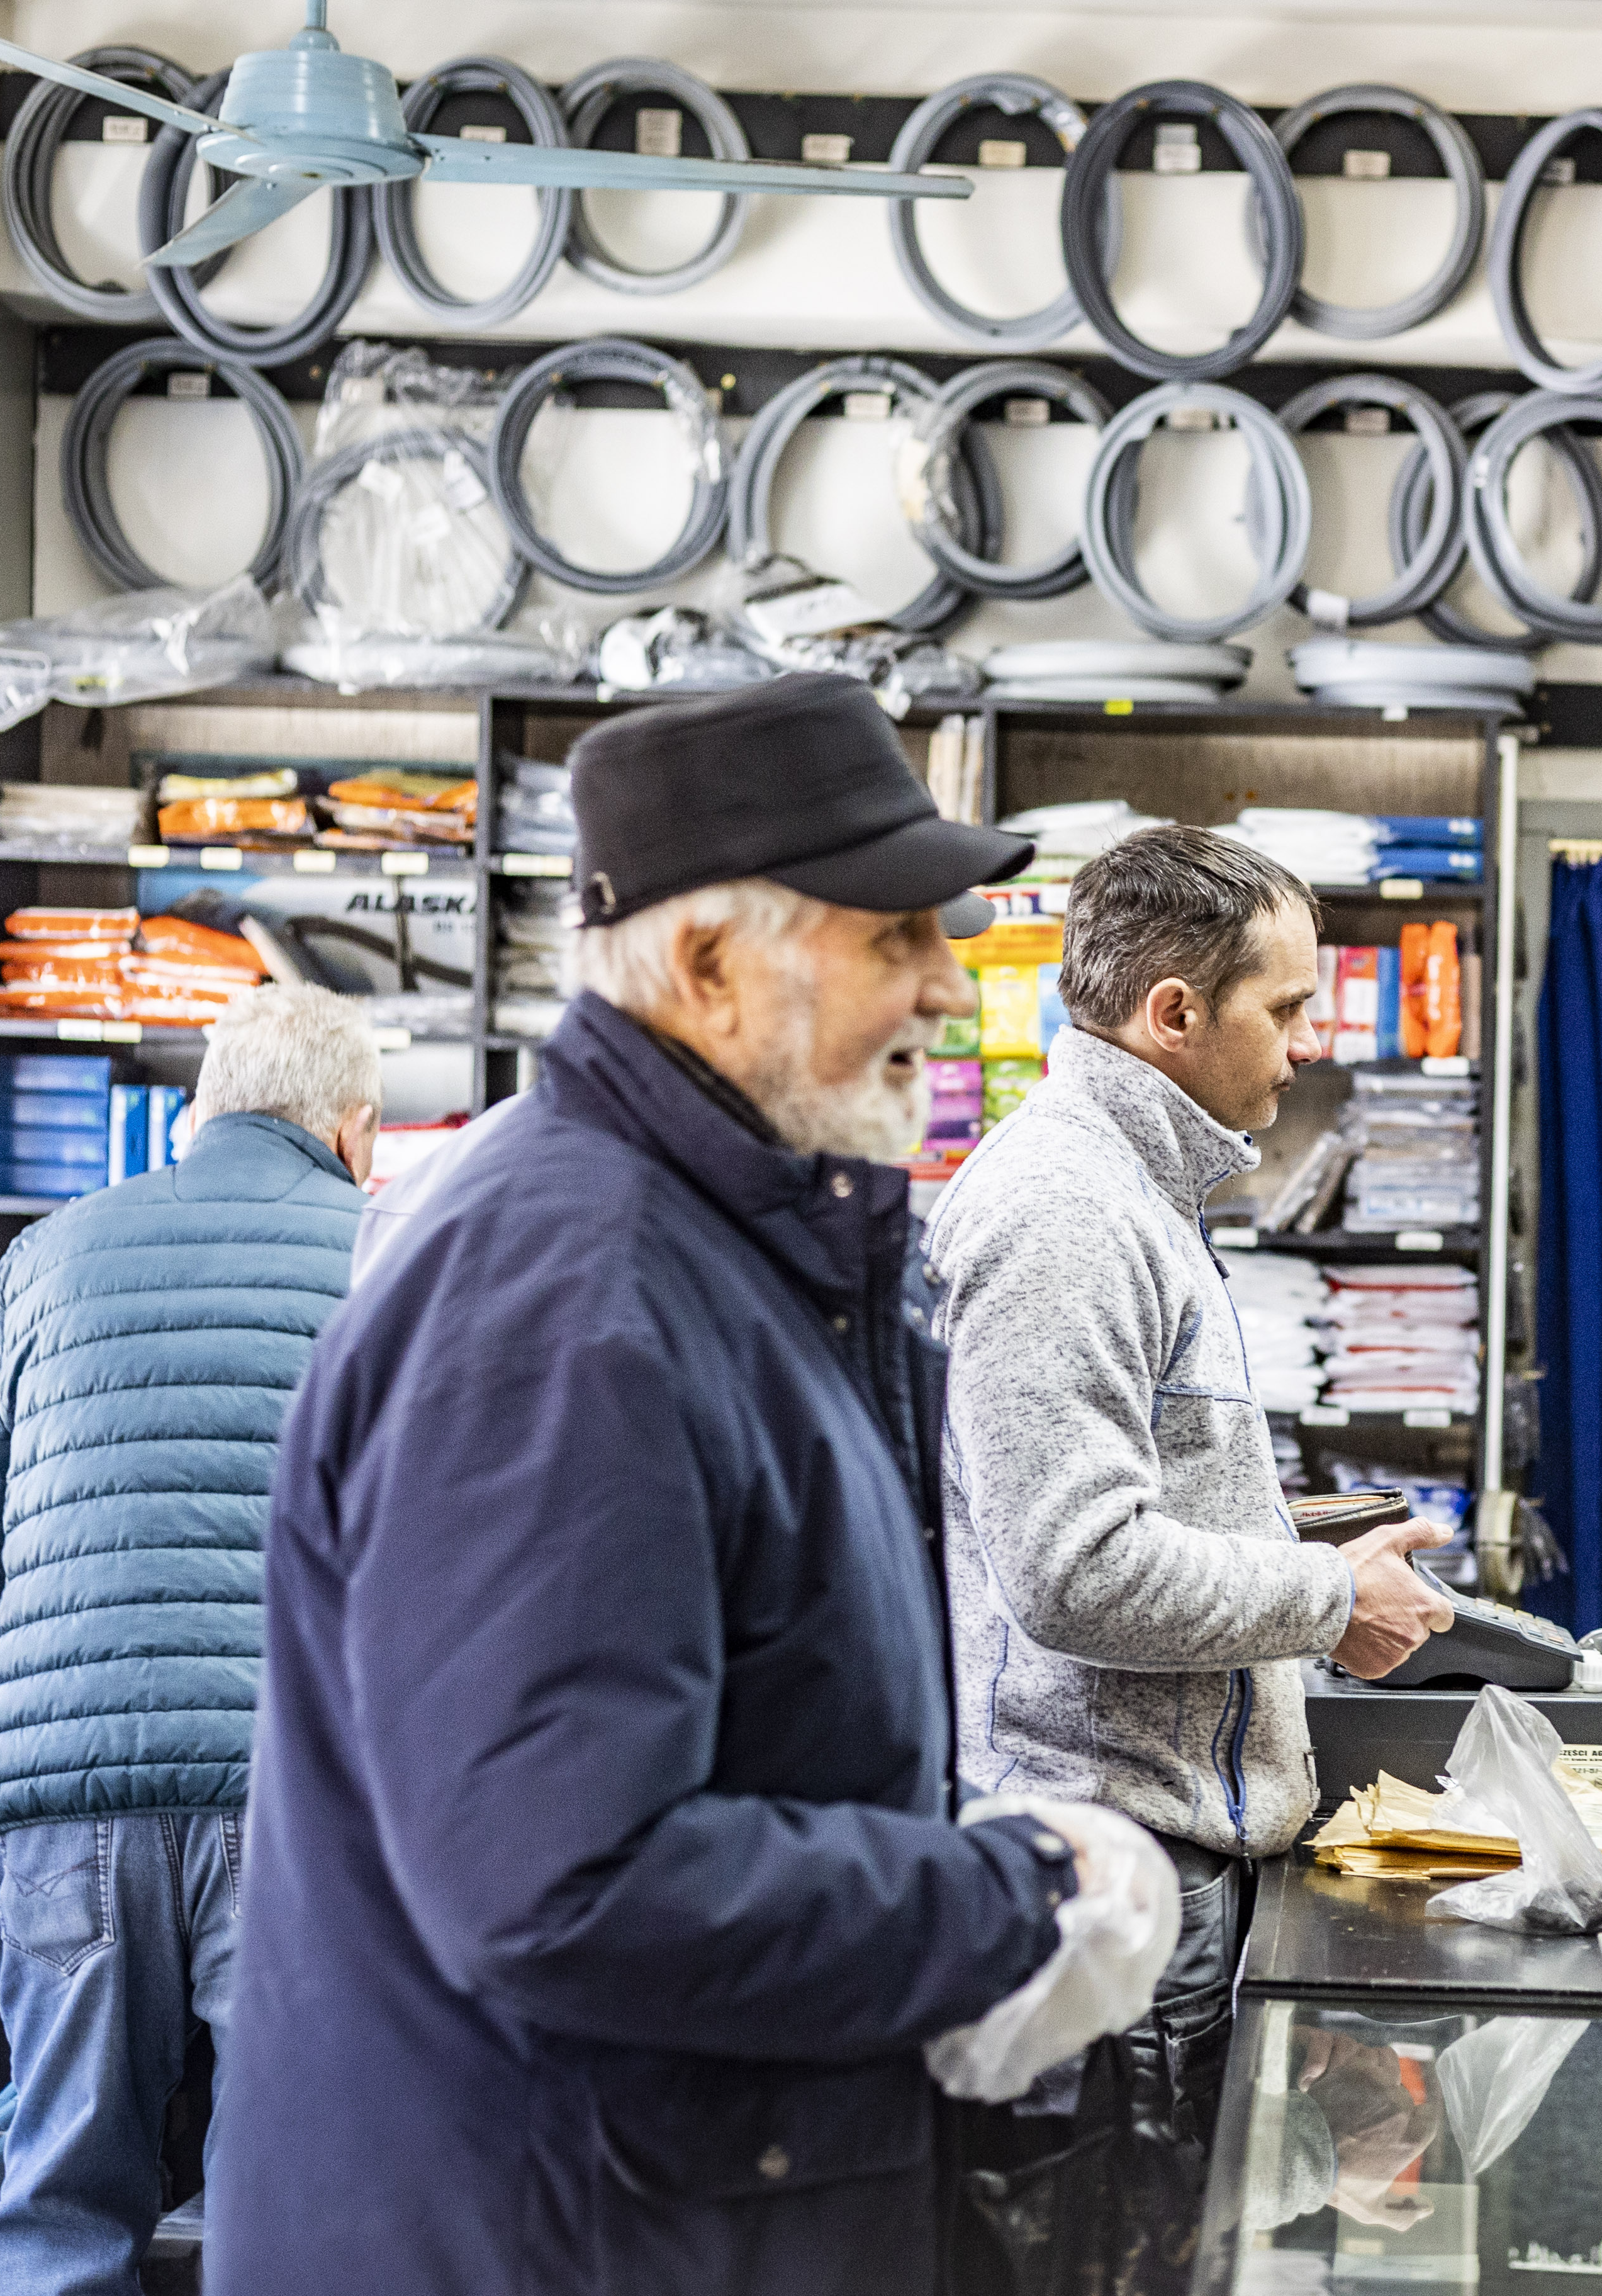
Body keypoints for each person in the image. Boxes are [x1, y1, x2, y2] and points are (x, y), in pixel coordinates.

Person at [209, 677, 1158, 2296]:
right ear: (711, 966)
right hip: (539, 2237)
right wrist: (1009, 1898)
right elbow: (563, 1883)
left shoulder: (732, 1247)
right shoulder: (568, 1300)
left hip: (651, 2201)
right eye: (893, 938)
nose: (951, 984)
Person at [924, 823, 1457, 2295]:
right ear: (1174, 1012)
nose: (1302, 1050)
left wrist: (1314, 1553)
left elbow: (1143, 1508)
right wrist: (1328, 1595)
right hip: (1112, 1874)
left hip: (1168, 1863)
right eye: (1283, 1012)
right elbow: (1074, 1569)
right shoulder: (1066, 1214)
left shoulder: (1136, 1201)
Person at [0, 984, 378, 2296]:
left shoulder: (50, 1252)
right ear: (353, 1135)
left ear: (195, 1115)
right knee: (293, 2198)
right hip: (291, 1804)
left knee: (61, 2190)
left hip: (66, 1811)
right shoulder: (383, 1256)